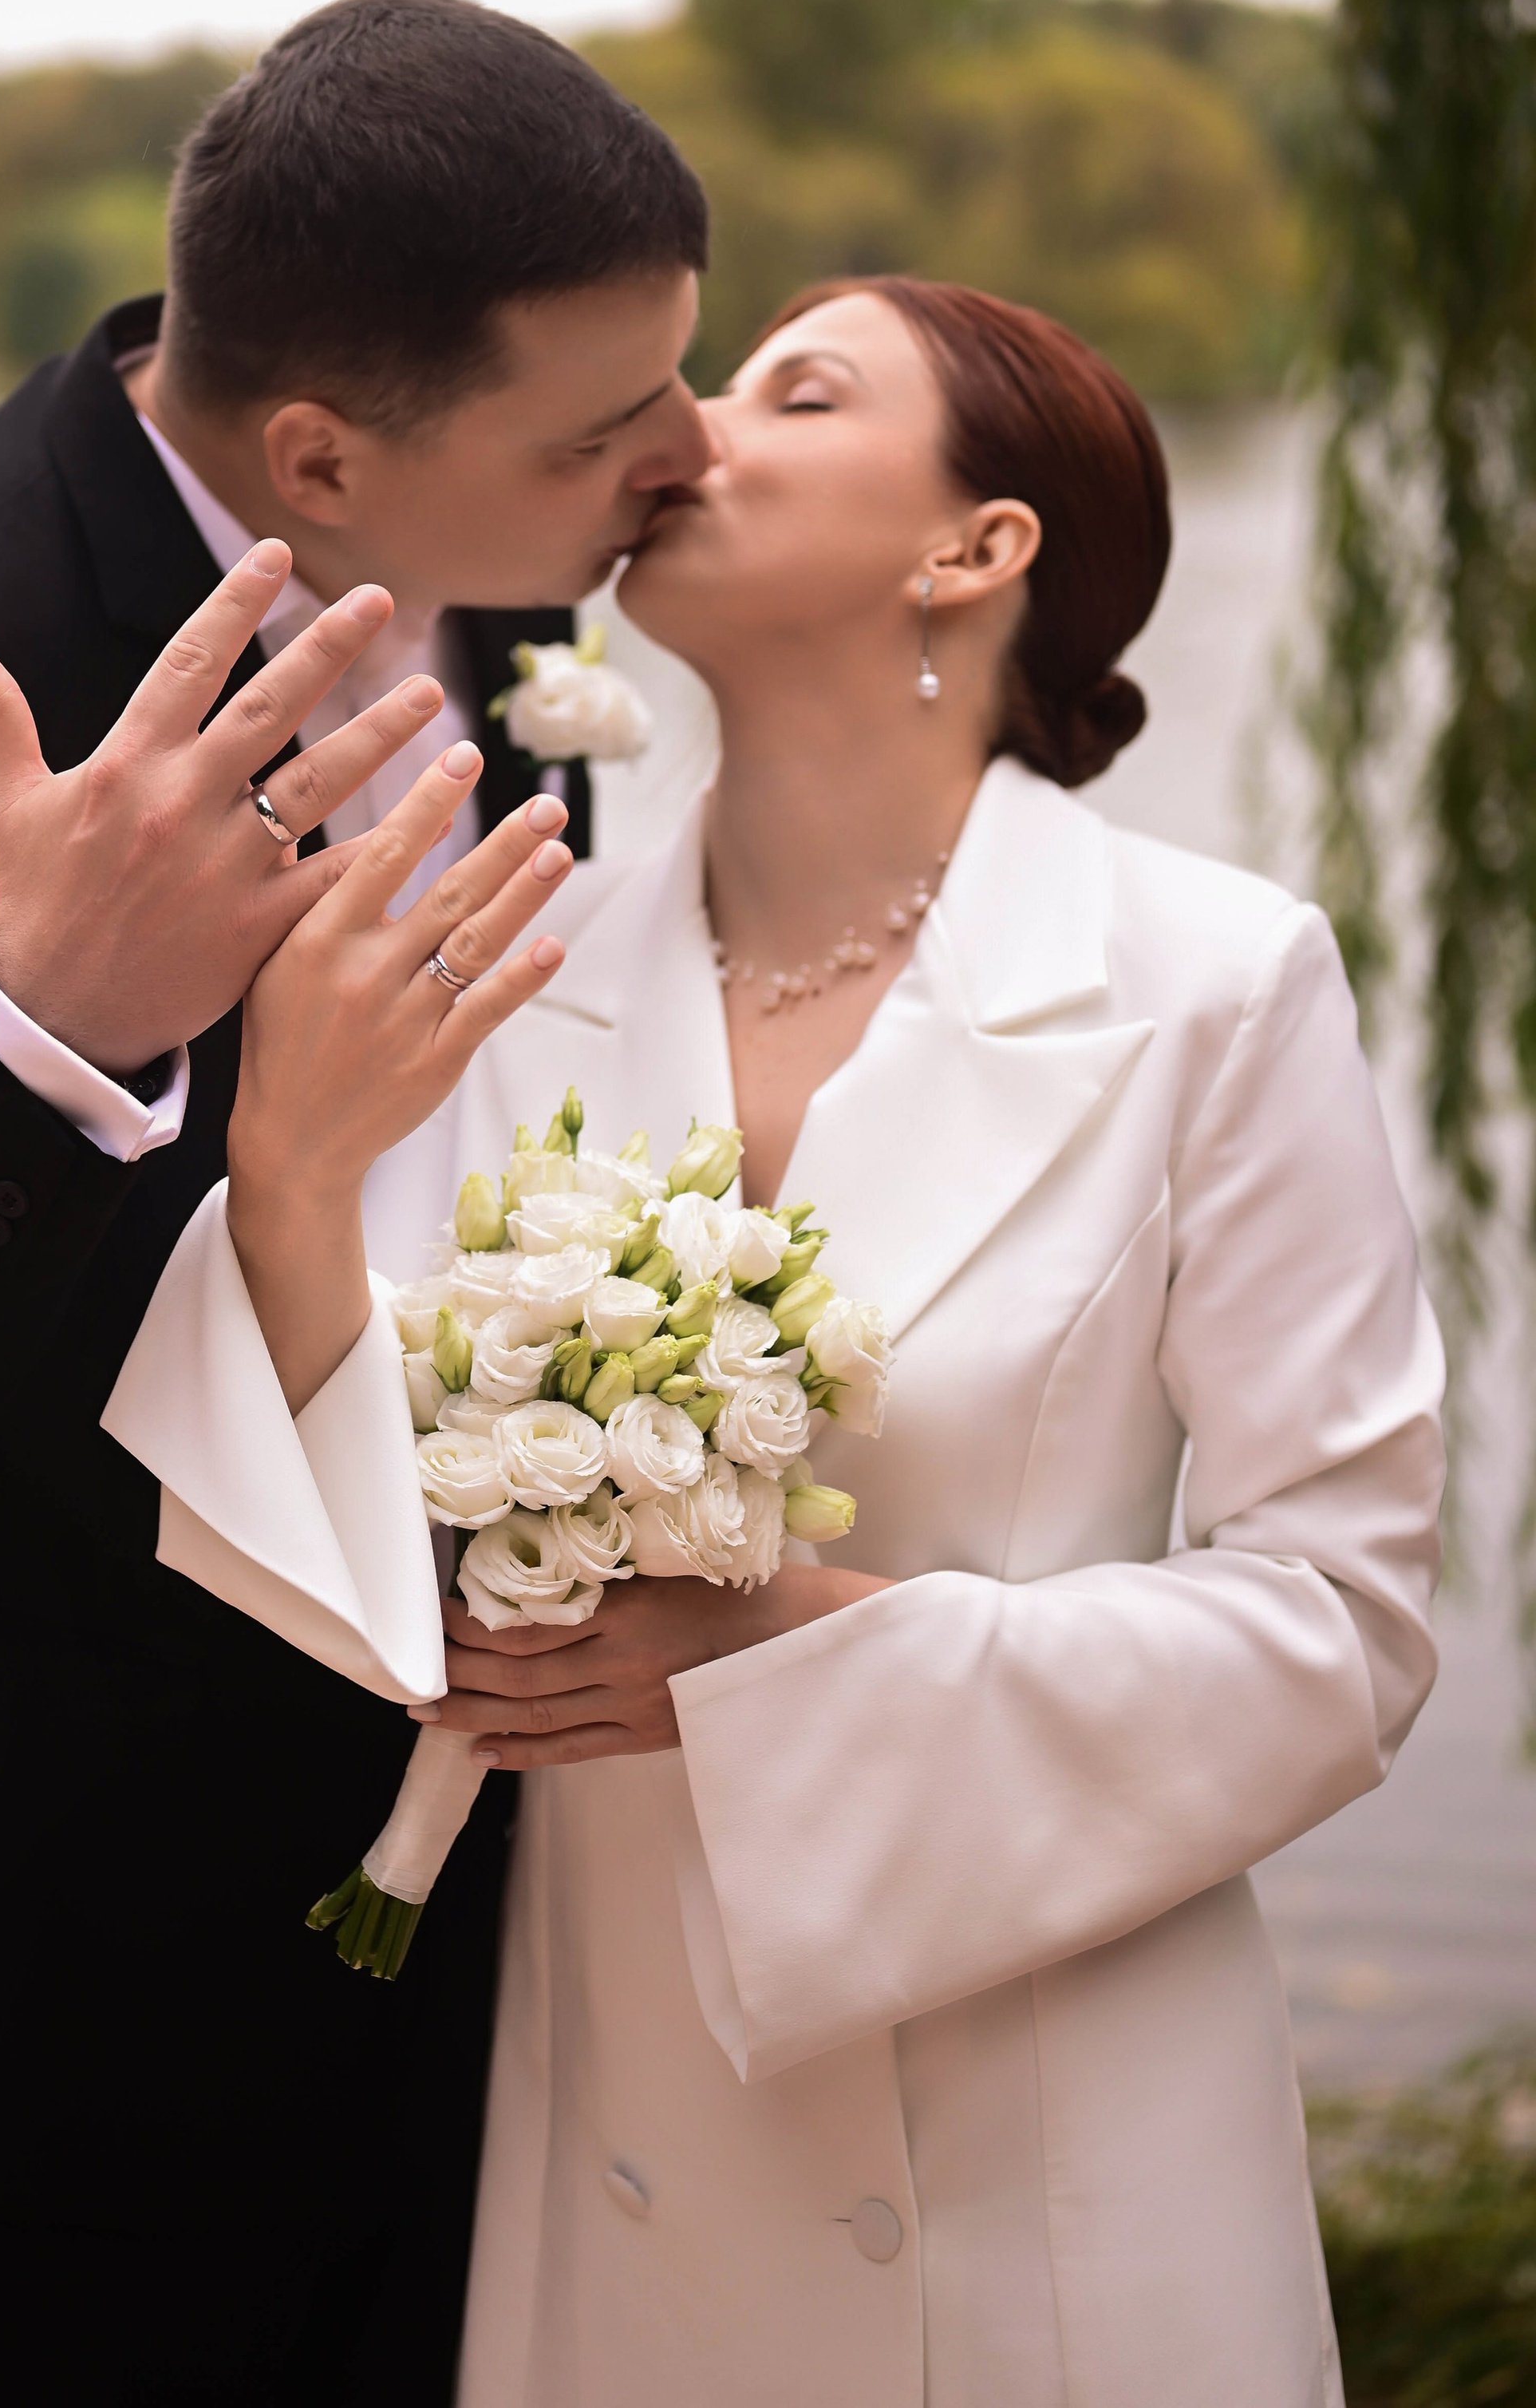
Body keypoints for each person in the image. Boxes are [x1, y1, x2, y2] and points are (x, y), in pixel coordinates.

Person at [107, 275, 1446, 2408]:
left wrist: (797, 1641)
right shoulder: (512, 956)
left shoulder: (1213, 983)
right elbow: (316, 1542)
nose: (686, 431)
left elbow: (1342, 1627)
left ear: (974, 547)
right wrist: (280, 1167)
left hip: (1050, 2148)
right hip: (632, 2124)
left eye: (789, 390)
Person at [0, 0, 712, 2405]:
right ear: (324, 456)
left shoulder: (501, 558)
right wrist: (42, 1030)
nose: (682, 459)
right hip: (58, 1972)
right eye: (604, 423)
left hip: (495, 1908)